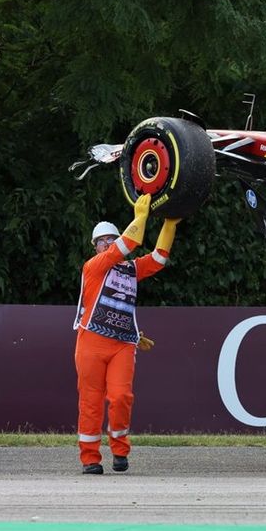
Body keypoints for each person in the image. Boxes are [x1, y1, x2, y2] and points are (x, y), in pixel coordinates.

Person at [73, 193, 179, 475]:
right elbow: (126, 245)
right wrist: (140, 218)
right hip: (91, 344)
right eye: (102, 241)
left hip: (122, 345)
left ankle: (120, 451)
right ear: (96, 247)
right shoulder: (93, 267)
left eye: (111, 238)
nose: (107, 243)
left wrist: (170, 223)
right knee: (91, 403)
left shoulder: (131, 269)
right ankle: (90, 459)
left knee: (121, 398)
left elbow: (157, 259)